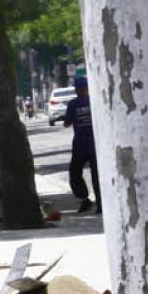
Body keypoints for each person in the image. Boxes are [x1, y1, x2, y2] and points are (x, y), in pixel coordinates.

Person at [62, 76, 100, 213]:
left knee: (75, 173)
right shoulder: (95, 101)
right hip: (95, 145)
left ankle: (85, 199)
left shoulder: (73, 104)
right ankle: (100, 204)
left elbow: (66, 123)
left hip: (80, 145)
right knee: (96, 175)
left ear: (76, 90)